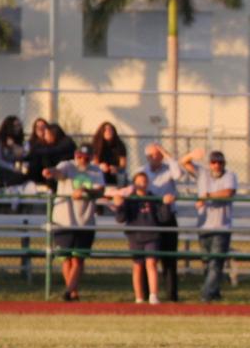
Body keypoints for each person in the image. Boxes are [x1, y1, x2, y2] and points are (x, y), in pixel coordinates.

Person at [180, 148, 238, 303]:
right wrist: (192, 155)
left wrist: (207, 196)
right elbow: (183, 162)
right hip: (204, 226)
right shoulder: (203, 174)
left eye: (220, 162)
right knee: (207, 263)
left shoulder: (230, 175)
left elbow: (228, 192)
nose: (216, 165)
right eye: (213, 162)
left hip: (221, 227)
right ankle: (214, 292)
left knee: (215, 263)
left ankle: (205, 294)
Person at [50, 144, 105, 301]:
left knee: (78, 259)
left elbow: (100, 190)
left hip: (84, 221)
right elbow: (58, 172)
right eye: (80, 156)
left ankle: (69, 290)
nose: (82, 160)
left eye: (86, 158)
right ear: (75, 155)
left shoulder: (96, 171)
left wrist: (85, 191)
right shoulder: (68, 165)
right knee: (66, 258)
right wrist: (50, 172)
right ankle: (72, 292)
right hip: (63, 220)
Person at [115, 170, 173, 304]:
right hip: (135, 236)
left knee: (151, 263)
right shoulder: (130, 200)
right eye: (139, 181)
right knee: (137, 266)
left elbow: (163, 218)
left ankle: (153, 295)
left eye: (144, 181)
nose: (142, 184)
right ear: (134, 183)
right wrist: (119, 205)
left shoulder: (153, 198)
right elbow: (121, 218)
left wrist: (166, 204)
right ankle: (139, 297)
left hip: (152, 235)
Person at [138, 144, 181, 301]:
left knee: (169, 259)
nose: (153, 158)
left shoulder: (168, 169)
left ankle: (171, 296)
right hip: (148, 218)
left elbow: (178, 174)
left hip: (167, 217)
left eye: (156, 155)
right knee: (146, 259)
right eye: (150, 155)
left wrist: (167, 154)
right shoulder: (142, 171)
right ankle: (144, 295)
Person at [26, 119, 73, 189]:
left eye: (46, 134)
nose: (45, 137)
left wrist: (34, 152)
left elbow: (54, 151)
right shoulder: (47, 145)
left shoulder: (66, 142)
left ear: (52, 134)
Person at [0, 116, 29, 187]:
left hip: (18, 169)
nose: (18, 128)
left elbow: (23, 156)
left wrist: (14, 146)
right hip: (3, 169)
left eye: (19, 125)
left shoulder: (21, 141)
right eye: (15, 126)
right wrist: (12, 167)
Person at [91, 121, 129, 187]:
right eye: (106, 130)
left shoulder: (120, 145)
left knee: (122, 174)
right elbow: (94, 162)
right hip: (100, 170)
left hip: (115, 171)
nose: (108, 132)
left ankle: (119, 190)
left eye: (110, 130)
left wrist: (117, 168)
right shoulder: (96, 144)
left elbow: (123, 164)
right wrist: (100, 166)